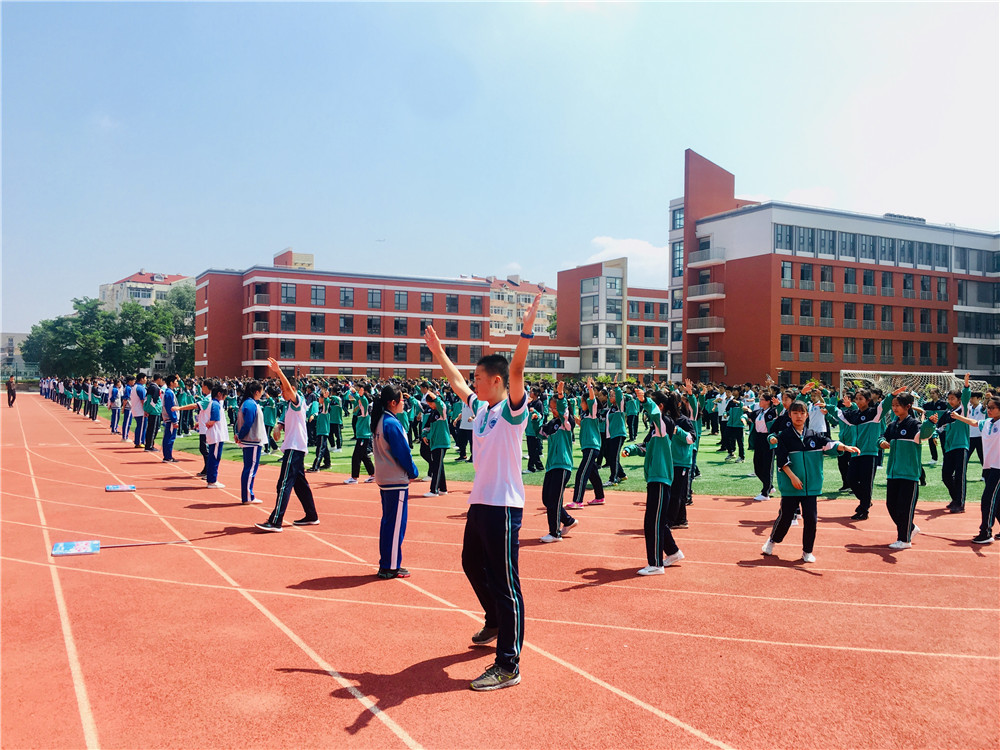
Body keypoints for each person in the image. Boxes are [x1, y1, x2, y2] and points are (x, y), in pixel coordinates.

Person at [423, 292, 540, 692]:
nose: (473, 382)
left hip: (505, 507)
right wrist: (439, 352)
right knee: (471, 563)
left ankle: (509, 665)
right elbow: (456, 382)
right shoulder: (483, 409)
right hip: (480, 504)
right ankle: (494, 619)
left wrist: (527, 327)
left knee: (508, 584)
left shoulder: (511, 412)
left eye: (478, 377)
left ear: (497, 381)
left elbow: (519, 366)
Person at [763, 401, 859, 563]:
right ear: (790, 415)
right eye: (795, 413)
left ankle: (807, 551)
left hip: (811, 486)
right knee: (786, 517)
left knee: (811, 519)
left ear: (807, 415)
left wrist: (845, 447)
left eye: (802, 413)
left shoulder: (814, 435)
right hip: (791, 486)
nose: (799, 416)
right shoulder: (785, 436)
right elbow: (782, 460)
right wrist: (793, 478)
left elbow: (830, 443)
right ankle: (772, 541)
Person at [255, 358, 319, 532]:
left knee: (283, 484)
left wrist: (278, 371)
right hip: (294, 448)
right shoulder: (290, 405)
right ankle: (312, 515)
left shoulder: (298, 400)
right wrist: (278, 426)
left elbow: (290, 391)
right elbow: (285, 419)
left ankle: (276, 521)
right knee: (300, 484)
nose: (282, 393)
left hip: (294, 448)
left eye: (284, 389)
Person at [371, 384, 421, 579]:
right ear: (392, 403)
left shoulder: (381, 420)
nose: (404, 403)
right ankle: (390, 565)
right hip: (395, 479)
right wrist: (413, 471)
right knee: (395, 525)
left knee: (389, 522)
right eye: (401, 400)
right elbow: (403, 453)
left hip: (385, 477)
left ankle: (389, 562)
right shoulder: (391, 423)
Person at [877, 392, 937, 550]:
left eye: (898, 405)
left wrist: (930, 424)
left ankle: (904, 540)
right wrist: (882, 442)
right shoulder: (893, 425)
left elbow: (924, 434)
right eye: (893, 405)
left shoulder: (914, 425)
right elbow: (882, 437)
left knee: (904, 508)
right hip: (893, 473)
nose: (894, 408)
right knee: (891, 506)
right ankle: (910, 528)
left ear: (908, 406)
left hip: (909, 474)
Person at [637, 391, 686, 575]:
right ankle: (673, 552)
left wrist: (645, 400)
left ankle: (656, 564)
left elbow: (655, 413)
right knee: (655, 521)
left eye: (650, 405)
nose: (645, 410)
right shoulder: (656, 426)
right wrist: (631, 449)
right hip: (655, 477)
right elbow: (645, 446)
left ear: (660, 406)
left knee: (653, 523)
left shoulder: (662, 422)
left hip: (660, 477)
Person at [941, 398, 1000, 544]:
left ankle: (985, 532)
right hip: (989, 467)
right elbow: (974, 422)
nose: (989, 410)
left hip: (998, 468)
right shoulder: (986, 423)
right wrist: (958, 416)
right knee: (996, 501)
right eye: (988, 407)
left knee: (988, 499)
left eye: (992, 407)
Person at [537, 394, 578, 543]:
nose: (553, 410)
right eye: (551, 407)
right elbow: (540, 433)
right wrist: (535, 419)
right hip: (551, 466)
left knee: (554, 499)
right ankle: (568, 520)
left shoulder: (567, 422)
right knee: (547, 499)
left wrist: (561, 397)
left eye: (555, 407)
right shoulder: (551, 423)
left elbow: (563, 412)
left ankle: (554, 533)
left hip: (562, 465)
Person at [567, 377, 605, 508]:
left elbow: (593, 401)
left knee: (581, 473)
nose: (580, 404)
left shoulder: (593, 413)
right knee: (593, 474)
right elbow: (587, 428)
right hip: (587, 448)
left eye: (582, 402)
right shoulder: (585, 416)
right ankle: (600, 497)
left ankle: (577, 501)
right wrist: (579, 423)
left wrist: (589, 387)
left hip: (592, 447)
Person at [235, 380, 266, 504]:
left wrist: (238, 435)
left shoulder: (247, 403)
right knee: (250, 469)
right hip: (251, 440)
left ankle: (248, 494)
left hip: (249, 440)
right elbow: (248, 423)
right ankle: (248, 496)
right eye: (261, 391)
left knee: (249, 468)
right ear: (257, 392)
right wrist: (240, 435)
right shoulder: (251, 404)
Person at [203, 384, 229, 489]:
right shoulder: (215, 404)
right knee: (214, 457)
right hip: (216, 435)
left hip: (215, 435)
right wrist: (209, 423)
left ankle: (211, 479)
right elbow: (214, 419)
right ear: (219, 394)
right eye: (224, 395)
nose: (225, 397)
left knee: (213, 457)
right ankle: (212, 480)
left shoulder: (214, 403)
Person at [161, 375, 179, 462]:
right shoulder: (168, 393)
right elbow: (170, 408)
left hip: (170, 419)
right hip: (170, 419)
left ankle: (168, 455)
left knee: (169, 437)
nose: (177, 383)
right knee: (169, 438)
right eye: (176, 381)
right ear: (171, 383)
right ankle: (168, 456)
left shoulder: (170, 392)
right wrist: (174, 420)